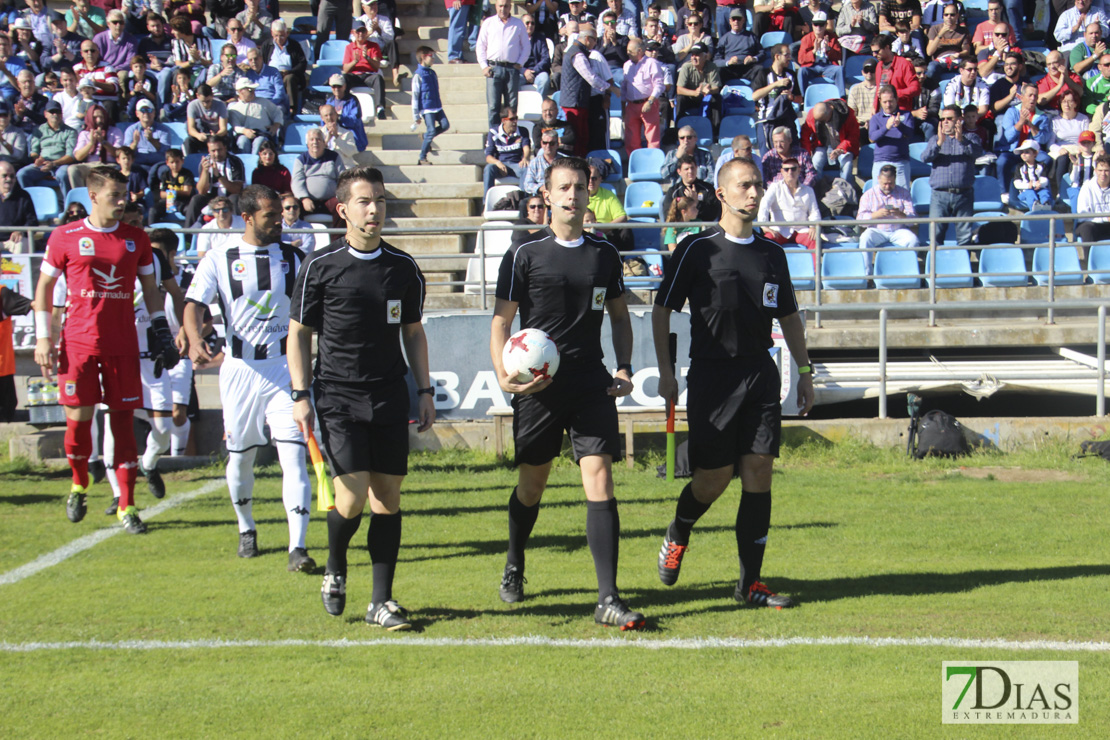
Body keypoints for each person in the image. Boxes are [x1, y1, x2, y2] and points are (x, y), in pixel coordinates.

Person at [653, 155, 813, 610]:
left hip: (760, 372)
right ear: (721, 193)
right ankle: (679, 529)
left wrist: (804, 371)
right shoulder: (695, 249)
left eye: (758, 185)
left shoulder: (772, 253)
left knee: (759, 472)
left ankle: (750, 585)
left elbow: (790, 317)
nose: (754, 192)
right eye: (744, 185)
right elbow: (663, 310)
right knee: (714, 479)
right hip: (712, 377)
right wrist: (666, 373)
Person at [489, 156, 643, 630]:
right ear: (548, 195)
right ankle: (515, 560)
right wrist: (503, 375)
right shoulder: (524, 253)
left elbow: (619, 317)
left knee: (600, 479)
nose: (572, 195)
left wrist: (621, 366)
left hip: (590, 384)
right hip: (538, 388)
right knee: (531, 486)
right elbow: (501, 321)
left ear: (587, 192)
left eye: (579, 186)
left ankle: (608, 597)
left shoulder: (605, 255)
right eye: (563, 188)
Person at [287, 166, 433, 627]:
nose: (375, 210)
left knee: (388, 498)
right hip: (337, 398)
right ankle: (334, 565)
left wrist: (424, 389)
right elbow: (297, 335)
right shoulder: (319, 267)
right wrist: (300, 393)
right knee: (349, 500)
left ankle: (380, 602)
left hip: (390, 395)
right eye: (365, 201)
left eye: (381, 201)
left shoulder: (403, 268)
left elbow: (414, 333)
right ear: (343, 209)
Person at [33, 166, 178, 534]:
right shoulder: (64, 237)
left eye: (124, 194)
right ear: (92, 196)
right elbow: (45, 289)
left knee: (123, 424)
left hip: (123, 344)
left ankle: (127, 506)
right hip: (78, 344)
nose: (122, 201)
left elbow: (150, 288)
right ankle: (79, 483)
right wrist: (43, 338)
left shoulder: (136, 239)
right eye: (114, 195)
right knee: (79, 420)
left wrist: (160, 327)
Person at [184, 183, 315, 570]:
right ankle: (246, 528)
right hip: (240, 371)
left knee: (294, 456)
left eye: (280, 214)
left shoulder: (294, 258)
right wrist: (193, 339)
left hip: (283, 369)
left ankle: (299, 547)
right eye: (270, 216)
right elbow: (193, 305)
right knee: (241, 459)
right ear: (247, 218)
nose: (279, 221)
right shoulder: (218, 259)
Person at [923, 103, 982, 245]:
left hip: (963, 194)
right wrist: (939, 143)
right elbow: (925, 158)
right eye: (943, 119)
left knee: (964, 238)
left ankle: (963, 266)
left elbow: (977, 153)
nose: (945, 122)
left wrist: (961, 140)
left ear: (959, 120)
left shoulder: (972, 138)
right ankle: (935, 267)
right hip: (939, 195)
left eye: (949, 118)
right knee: (935, 237)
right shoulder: (934, 140)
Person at [560, 26, 615, 157]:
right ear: (587, 39)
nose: (596, 43)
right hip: (574, 103)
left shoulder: (577, 52)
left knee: (583, 137)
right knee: (578, 138)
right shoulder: (577, 54)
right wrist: (611, 88)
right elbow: (591, 77)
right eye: (594, 40)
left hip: (578, 102)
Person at [476, 0, 528, 132]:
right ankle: (494, 136)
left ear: (510, 6)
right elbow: (480, 46)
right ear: (496, 6)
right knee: (493, 106)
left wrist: (519, 63)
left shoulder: (518, 24)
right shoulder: (488, 23)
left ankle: (511, 134)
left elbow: (526, 47)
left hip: (512, 69)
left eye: (505, 6)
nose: (503, 9)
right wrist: (484, 66)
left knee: (512, 106)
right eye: (500, 6)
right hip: (493, 69)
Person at [858, 164, 918, 273]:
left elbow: (913, 220)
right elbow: (860, 220)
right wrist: (876, 215)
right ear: (878, 179)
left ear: (895, 180)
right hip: (877, 230)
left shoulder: (904, 193)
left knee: (913, 240)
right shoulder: (868, 194)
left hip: (898, 230)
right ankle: (867, 275)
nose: (887, 186)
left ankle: (906, 272)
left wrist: (901, 215)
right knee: (865, 239)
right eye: (884, 183)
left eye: (891, 183)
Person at [757, 156, 822, 251]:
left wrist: (813, 227)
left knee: (815, 241)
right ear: (782, 172)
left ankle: (816, 266)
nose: (790, 172)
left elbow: (814, 211)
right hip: (779, 231)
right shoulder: (774, 187)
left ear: (799, 170)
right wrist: (764, 226)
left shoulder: (808, 190)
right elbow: (764, 205)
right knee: (767, 241)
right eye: (786, 169)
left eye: (793, 169)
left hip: (801, 230)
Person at [995, 83, 1050, 195]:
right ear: (1022, 97)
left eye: (1035, 96)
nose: (1033, 99)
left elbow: (1043, 140)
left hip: (1032, 153)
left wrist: (1030, 125)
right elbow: (1008, 137)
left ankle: (1039, 188)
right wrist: (1020, 122)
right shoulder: (1011, 112)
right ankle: (1004, 193)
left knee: (1046, 159)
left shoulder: (1042, 116)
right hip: (1013, 151)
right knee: (1002, 162)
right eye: (1030, 95)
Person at [184, 134, 244, 227]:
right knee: (196, 199)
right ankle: (188, 236)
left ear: (225, 147)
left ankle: (238, 230)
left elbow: (236, 189)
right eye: (213, 151)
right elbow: (201, 191)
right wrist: (205, 171)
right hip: (211, 198)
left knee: (235, 198)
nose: (216, 154)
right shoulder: (205, 163)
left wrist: (219, 176)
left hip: (229, 197)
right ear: (208, 150)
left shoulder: (235, 162)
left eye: (219, 150)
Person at [17, 98, 74, 191]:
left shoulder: (71, 132)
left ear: (62, 114)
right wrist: (37, 159)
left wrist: (54, 163)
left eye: (57, 112)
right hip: (43, 163)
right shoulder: (38, 130)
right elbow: (34, 151)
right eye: (52, 112)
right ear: (45, 114)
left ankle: (68, 203)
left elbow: (70, 156)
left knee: (63, 174)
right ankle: (30, 202)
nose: (55, 115)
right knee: (22, 174)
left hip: (61, 164)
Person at [621, 37, 663, 158]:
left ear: (640, 51)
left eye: (631, 51)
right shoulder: (626, 65)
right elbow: (624, 87)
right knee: (631, 139)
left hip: (648, 103)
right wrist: (623, 108)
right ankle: (635, 162)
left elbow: (659, 85)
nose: (628, 53)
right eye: (627, 50)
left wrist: (650, 101)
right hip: (631, 105)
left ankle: (653, 162)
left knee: (652, 137)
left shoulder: (652, 63)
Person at [802, 99, 860, 184]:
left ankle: (846, 190)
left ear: (831, 110)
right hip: (822, 144)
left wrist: (840, 149)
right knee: (815, 163)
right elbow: (805, 135)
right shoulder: (813, 115)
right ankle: (818, 189)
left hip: (843, 145)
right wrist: (806, 155)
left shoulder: (847, 114)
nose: (821, 123)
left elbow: (853, 136)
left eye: (824, 120)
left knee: (847, 164)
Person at [292, 128, 345, 218]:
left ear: (324, 142)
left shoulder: (334, 156)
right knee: (293, 205)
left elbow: (343, 178)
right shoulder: (301, 159)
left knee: (341, 206)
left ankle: (338, 232)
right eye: (312, 139)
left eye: (318, 139)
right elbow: (297, 182)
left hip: (331, 199)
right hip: (308, 200)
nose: (315, 142)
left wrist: (339, 195)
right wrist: (304, 198)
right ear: (307, 144)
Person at [258, 20, 307, 116]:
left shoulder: (294, 45)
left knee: (290, 78)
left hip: (288, 75)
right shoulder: (267, 45)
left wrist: (289, 72)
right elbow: (261, 62)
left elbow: (302, 63)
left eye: (282, 36)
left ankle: (292, 108)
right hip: (271, 76)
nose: (279, 38)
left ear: (287, 33)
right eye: (276, 36)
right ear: (272, 33)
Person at [68, 103, 121, 190]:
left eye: (102, 117)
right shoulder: (84, 133)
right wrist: (91, 143)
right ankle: (81, 197)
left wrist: (103, 142)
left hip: (109, 165)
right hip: (90, 165)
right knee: (73, 169)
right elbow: (78, 156)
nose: (99, 120)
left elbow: (118, 154)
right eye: (95, 117)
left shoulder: (115, 131)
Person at [411, 46, 449, 167]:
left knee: (445, 125)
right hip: (427, 108)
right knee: (431, 130)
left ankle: (425, 137)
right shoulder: (418, 75)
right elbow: (415, 95)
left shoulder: (432, 73)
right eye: (431, 56)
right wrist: (415, 114)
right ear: (423, 57)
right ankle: (422, 157)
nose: (433, 59)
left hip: (436, 106)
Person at [870, 85, 914, 188]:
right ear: (880, 101)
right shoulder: (876, 118)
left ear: (896, 99)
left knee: (903, 198)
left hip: (901, 162)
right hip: (880, 162)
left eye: (891, 101)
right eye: (885, 102)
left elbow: (910, 134)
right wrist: (886, 127)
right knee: (879, 198)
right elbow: (872, 138)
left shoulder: (906, 115)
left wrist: (900, 126)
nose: (888, 105)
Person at [675, 42, 722, 138]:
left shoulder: (712, 66)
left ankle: (715, 132)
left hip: (706, 98)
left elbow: (716, 88)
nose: (694, 58)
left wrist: (709, 91)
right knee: (680, 99)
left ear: (705, 56)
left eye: (697, 55)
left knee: (717, 98)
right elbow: (679, 89)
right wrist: (694, 93)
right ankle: (678, 131)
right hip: (690, 98)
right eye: (692, 55)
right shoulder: (686, 67)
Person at [228, 77, 282, 155]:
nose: (253, 92)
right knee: (242, 141)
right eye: (250, 90)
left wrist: (276, 125)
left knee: (259, 142)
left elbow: (277, 112)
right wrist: (245, 131)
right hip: (244, 134)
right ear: (240, 91)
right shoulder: (234, 108)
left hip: (262, 133)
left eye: (253, 89)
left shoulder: (264, 102)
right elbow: (236, 126)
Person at [342, 20, 385, 120]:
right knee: (345, 78)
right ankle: (346, 105)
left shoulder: (374, 46)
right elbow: (345, 69)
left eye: (363, 31)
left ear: (366, 32)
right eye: (358, 31)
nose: (360, 34)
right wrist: (355, 61)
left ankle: (380, 108)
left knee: (378, 78)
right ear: (353, 33)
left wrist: (368, 58)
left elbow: (376, 66)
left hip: (369, 75)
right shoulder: (349, 47)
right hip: (355, 75)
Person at [483, 105, 529, 193]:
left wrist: (525, 158)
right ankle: (486, 202)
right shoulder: (493, 132)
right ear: (503, 120)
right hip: (500, 165)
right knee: (488, 169)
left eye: (516, 118)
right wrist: (498, 163)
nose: (515, 122)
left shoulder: (523, 131)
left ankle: (523, 200)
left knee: (526, 169)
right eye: (512, 119)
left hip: (516, 164)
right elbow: (488, 157)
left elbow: (526, 148)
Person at [798, 11, 845, 95]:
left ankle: (842, 97)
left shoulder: (832, 37)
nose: (818, 27)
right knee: (802, 71)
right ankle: (803, 98)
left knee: (839, 69)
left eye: (821, 24)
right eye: (816, 24)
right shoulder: (806, 39)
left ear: (826, 25)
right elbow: (801, 59)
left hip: (828, 66)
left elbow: (839, 55)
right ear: (812, 25)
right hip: (812, 67)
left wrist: (828, 49)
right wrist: (813, 51)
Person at [662, 154, 720, 221]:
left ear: (696, 168)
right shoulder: (673, 191)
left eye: (692, 168)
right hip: (680, 229)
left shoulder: (707, 189)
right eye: (686, 169)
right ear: (679, 171)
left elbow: (714, 214)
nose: (690, 171)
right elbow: (668, 215)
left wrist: (697, 202)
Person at [715, 8, 762, 85]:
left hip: (747, 68)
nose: (736, 21)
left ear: (743, 20)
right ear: (730, 21)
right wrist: (728, 62)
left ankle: (756, 95)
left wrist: (753, 58)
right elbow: (716, 60)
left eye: (738, 19)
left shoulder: (751, 36)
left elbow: (762, 53)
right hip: (730, 69)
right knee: (719, 70)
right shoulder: (724, 38)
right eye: (733, 19)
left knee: (760, 69)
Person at [149, 146, 194, 223]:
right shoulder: (165, 175)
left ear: (182, 161)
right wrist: (171, 194)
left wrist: (173, 192)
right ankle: (152, 232)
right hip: (168, 201)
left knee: (189, 211)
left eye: (177, 162)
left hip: (183, 201)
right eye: (172, 162)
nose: (175, 165)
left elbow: (187, 192)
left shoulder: (187, 174)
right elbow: (162, 194)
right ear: (167, 163)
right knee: (153, 211)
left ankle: (188, 233)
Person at [1075, 154, 1110, 242]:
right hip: (1092, 224)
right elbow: (1083, 216)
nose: (1103, 174)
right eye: (1100, 170)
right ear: (1095, 171)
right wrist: (1105, 218)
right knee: (1086, 228)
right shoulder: (1087, 187)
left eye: (1106, 170)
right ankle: (1089, 256)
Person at [185, 84, 228, 155]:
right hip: (201, 135)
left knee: (225, 141)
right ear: (197, 96)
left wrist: (216, 136)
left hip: (217, 135)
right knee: (188, 141)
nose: (205, 104)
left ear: (212, 96)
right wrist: (198, 135)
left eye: (208, 101)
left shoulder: (221, 105)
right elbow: (191, 128)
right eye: (202, 102)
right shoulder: (192, 105)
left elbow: (223, 129)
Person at [942, 54, 989, 118]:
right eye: (970, 69)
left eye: (975, 69)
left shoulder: (983, 86)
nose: (973, 72)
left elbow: (983, 110)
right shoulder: (952, 85)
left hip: (975, 119)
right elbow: (950, 108)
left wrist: (969, 118)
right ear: (961, 70)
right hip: (957, 118)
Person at [1010, 139, 1053, 211]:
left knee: (1044, 192)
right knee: (1030, 193)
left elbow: (1044, 179)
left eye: (1027, 152)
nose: (1023, 154)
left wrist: (1040, 183)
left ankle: (1046, 204)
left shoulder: (1041, 165)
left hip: (1039, 189)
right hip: (1025, 192)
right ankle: (1034, 207)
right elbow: (1016, 183)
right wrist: (1027, 186)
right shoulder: (1019, 167)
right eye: (1022, 152)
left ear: (1035, 153)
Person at [522, 13, 551, 99]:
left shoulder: (540, 38)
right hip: (521, 73)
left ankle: (539, 106)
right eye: (527, 23)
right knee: (513, 81)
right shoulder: (516, 38)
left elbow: (545, 59)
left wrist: (533, 71)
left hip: (538, 72)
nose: (530, 25)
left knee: (544, 79)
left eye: (532, 23)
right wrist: (525, 71)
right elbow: (514, 61)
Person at [848, 59, 879, 135]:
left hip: (878, 125)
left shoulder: (881, 89)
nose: (869, 73)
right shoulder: (855, 89)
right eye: (866, 70)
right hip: (860, 125)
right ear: (862, 72)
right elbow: (852, 113)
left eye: (872, 70)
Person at [446, 0, 479, 65]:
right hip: (457, 2)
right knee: (457, 27)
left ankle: (458, 56)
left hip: (467, 2)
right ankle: (453, 56)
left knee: (461, 29)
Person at [1084, 51, 1110, 115]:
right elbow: (1088, 106)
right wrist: (1105, 111)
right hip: (1100, 115)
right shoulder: (1091, 83)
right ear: (1099, 67)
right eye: (1106, 65)